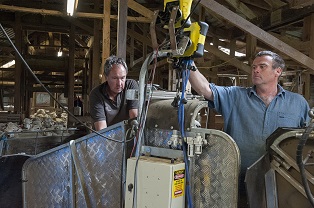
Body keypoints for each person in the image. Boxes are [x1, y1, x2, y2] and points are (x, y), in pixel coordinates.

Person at [189, 50, 310, 205]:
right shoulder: (235, 96)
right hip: (238, 180)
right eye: (253, 67)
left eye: (262, 66)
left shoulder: (298, 103)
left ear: (277, 71)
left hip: (282, 181)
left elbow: (307, 141)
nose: (256, 70)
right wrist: (188, 61)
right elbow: (205, 89)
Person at [89, 55, 138, 131]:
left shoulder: (131, 86)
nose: (119, 83)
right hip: (106, 138)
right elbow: (102, 130)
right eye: (115, 78)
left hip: (127, 136)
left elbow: (134, 117)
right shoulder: (96, 95)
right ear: (106, 77)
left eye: (122, 78)